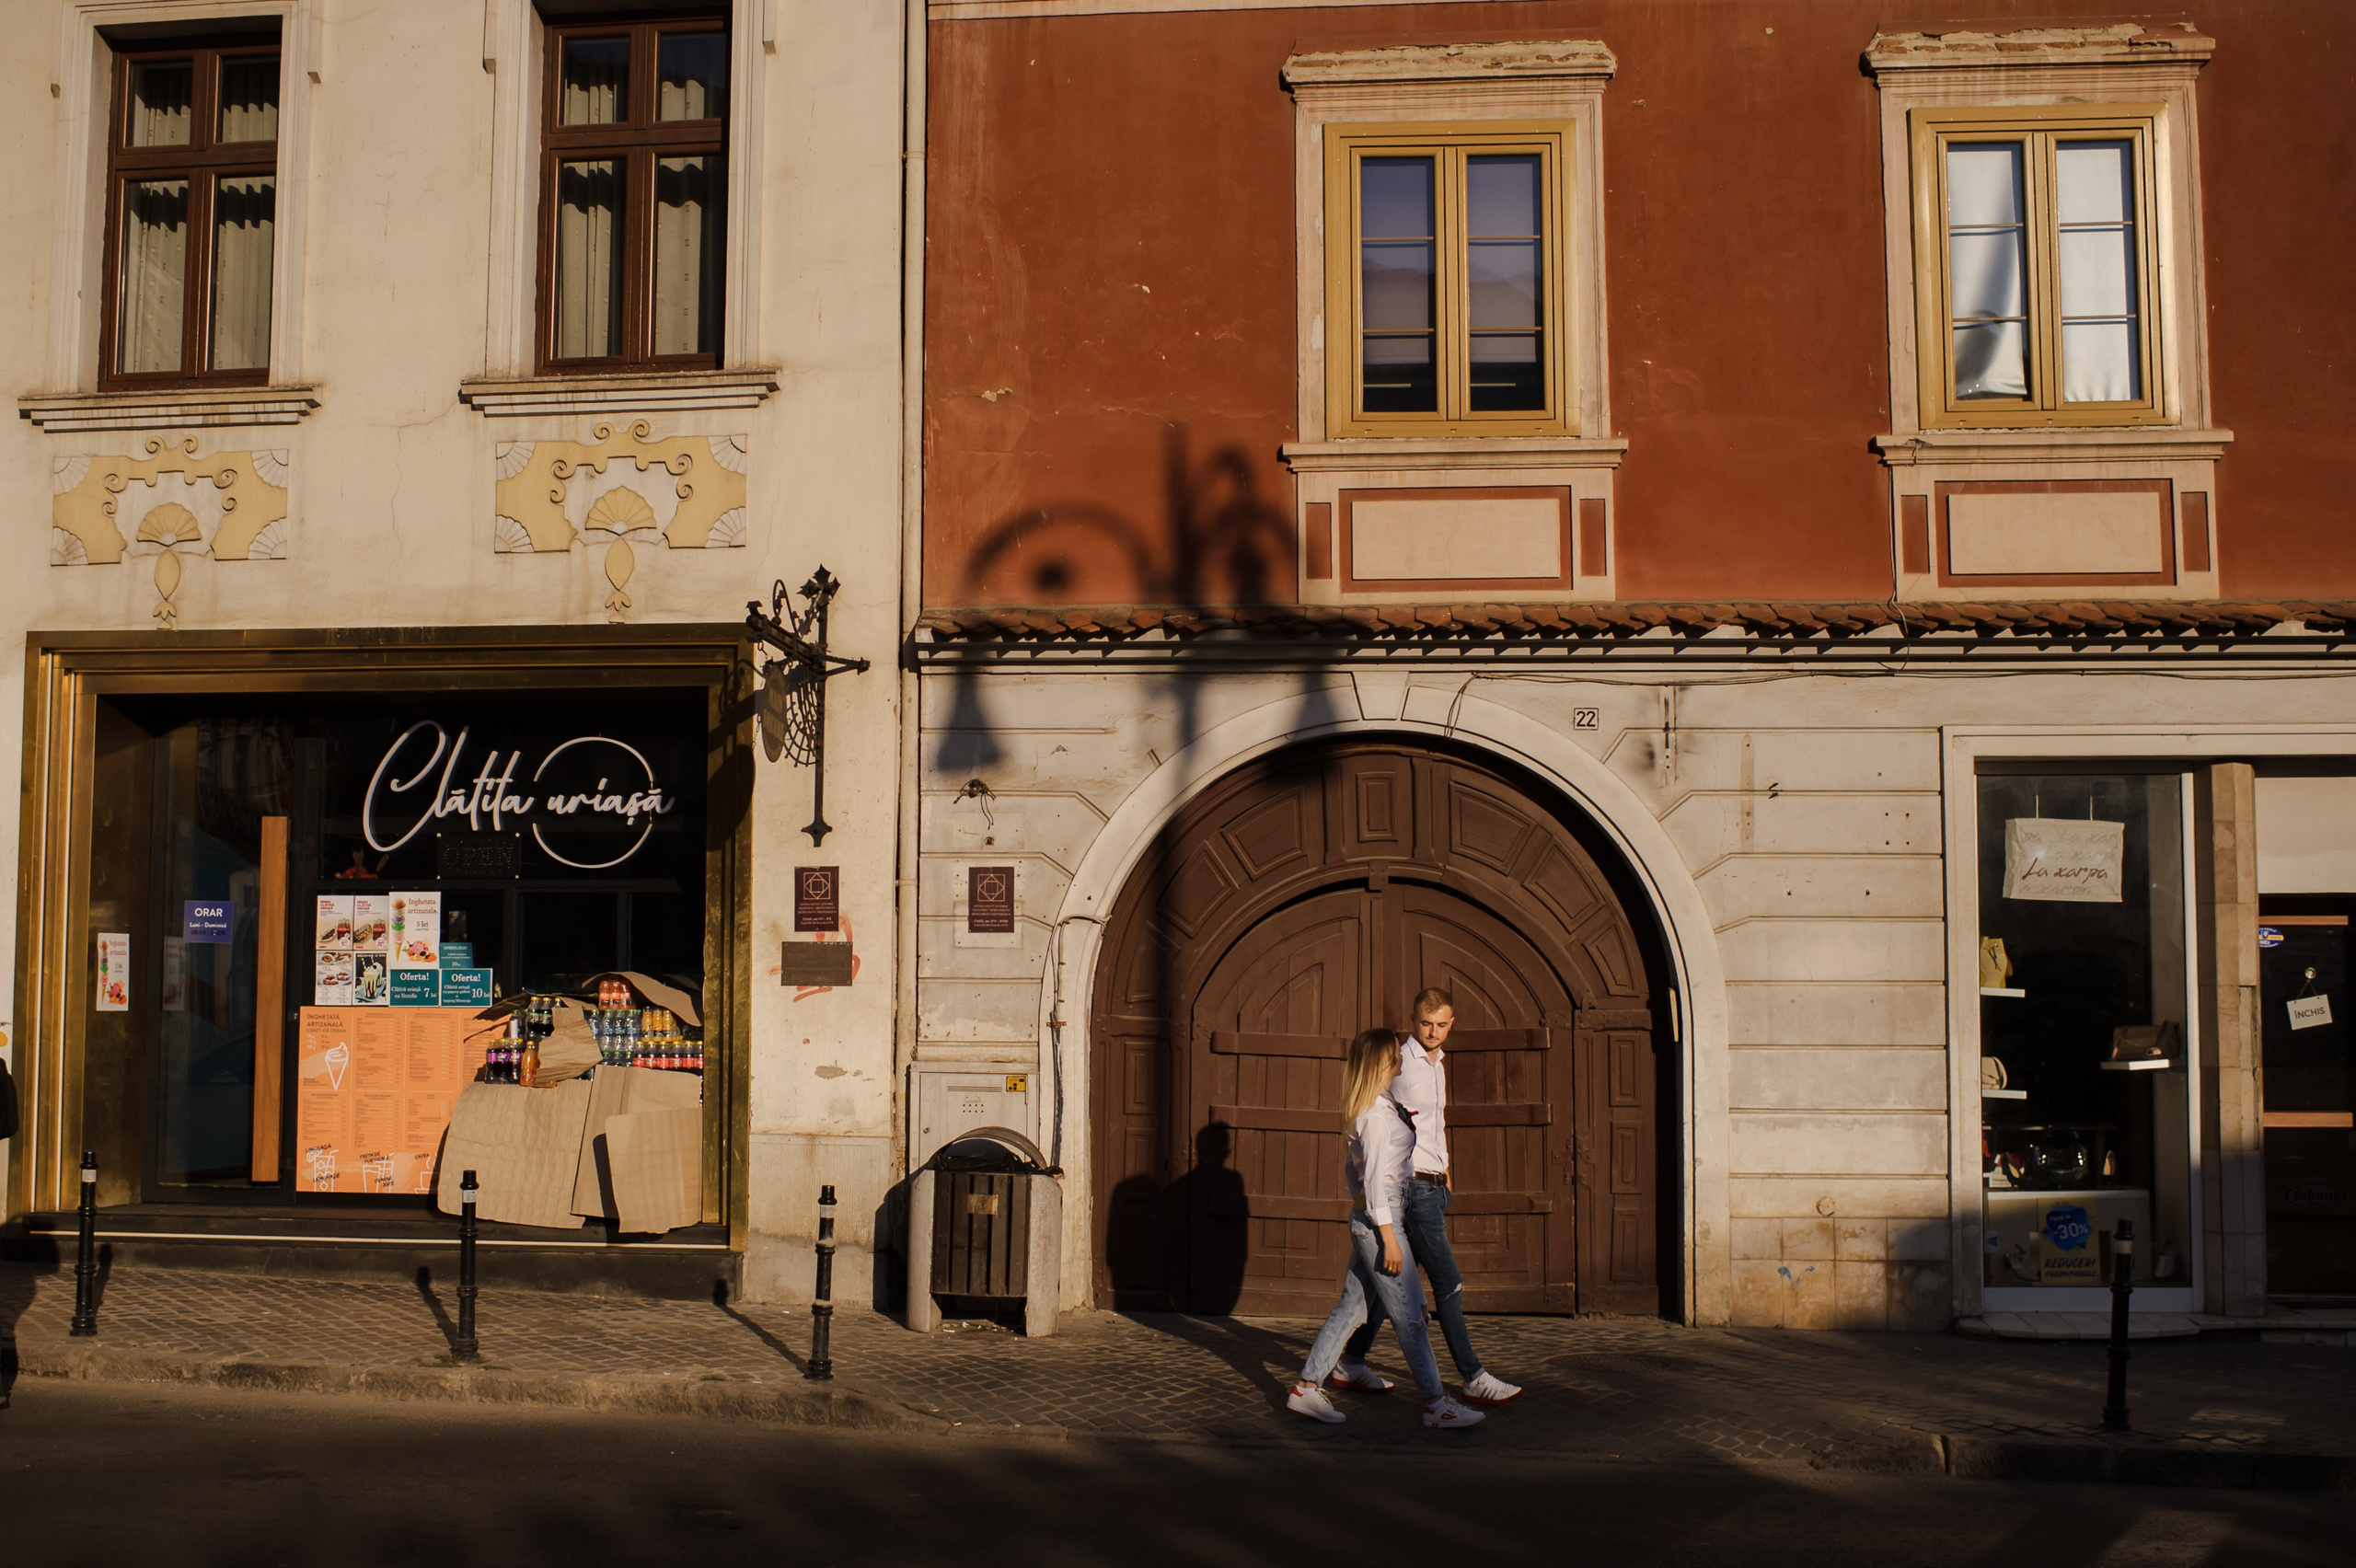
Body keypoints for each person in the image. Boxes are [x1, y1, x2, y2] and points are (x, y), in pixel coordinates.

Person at [1328, 987, 1524, 1406]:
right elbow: (1371, 1114)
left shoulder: (1438, 1065)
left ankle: (1350, 1362)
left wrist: (1447, 1169)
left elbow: (1435, 1122)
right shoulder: (1400, 1064)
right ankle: (1472, 1376)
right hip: (1411, 1187)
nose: (1433, 1032)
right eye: (1425, 1024)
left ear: (1452, 1024)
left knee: (1385, 1285)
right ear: (1414, 1021)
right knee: (1448, 1282)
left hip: (1435, 1184)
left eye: (1441, 1025)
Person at [1287, 1028, 1486, 1430]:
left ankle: (1306, 1387)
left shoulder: (1382, 1103)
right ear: (1382, 1063)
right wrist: (1389, 1237)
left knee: (1354, 1306)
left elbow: (1356, 1174)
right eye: (1395, 1056)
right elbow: (1375, 1181)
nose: (1400, 1060)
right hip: (1382, 1220)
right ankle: (1435, 1404)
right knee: (1411, 1315)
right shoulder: (1375, 1116)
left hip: (1377, 1216)